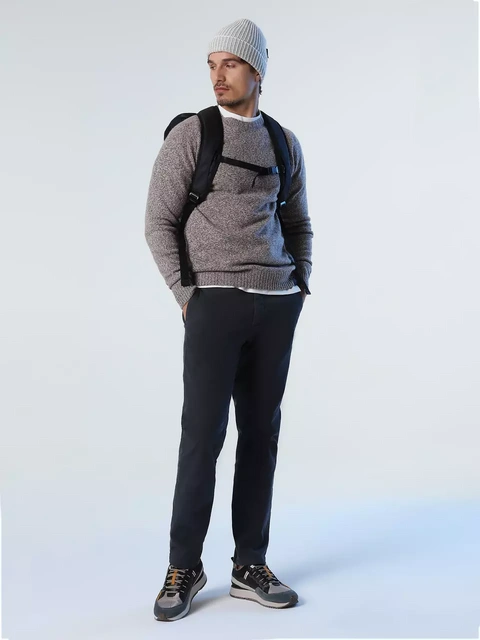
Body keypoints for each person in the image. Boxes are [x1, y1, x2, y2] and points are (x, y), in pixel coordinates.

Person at [145, 17, 313, 622]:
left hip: (276, 302)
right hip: (213, 301)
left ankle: (250, 564)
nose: (218, 76)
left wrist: (300, 282)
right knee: (202, 437)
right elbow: (158, 221)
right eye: (212, 65)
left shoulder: (284, 143)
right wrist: (185, 293)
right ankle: (183, 567)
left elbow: (297, 220)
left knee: (261, 436)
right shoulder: (192, 135)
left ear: (257, 71)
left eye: (231, 64)